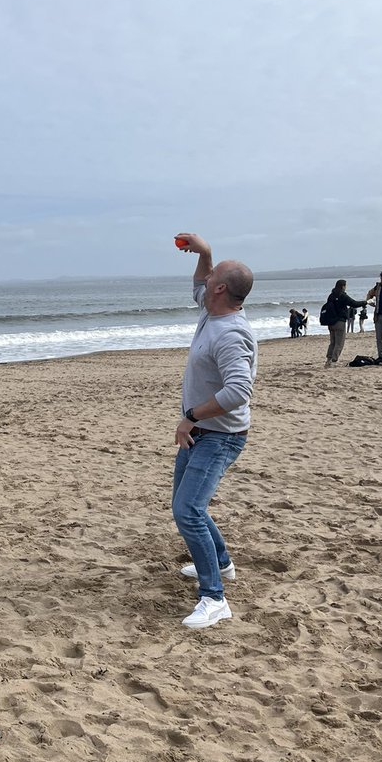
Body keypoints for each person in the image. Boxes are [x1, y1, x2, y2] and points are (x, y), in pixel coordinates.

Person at [171, 233, 257, 629]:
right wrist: (205, 253)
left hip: (219, 436)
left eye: (211, 277)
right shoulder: (211, 312)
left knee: (187, 511)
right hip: (201, 432)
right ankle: (221, 564)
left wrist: (190, 414)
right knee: (188, 506)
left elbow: (239, 391)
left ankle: (214, 598)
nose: (203, 281)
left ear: (221, 289)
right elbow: (198, 283)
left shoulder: (231, 333)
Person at [322, 280, 367, 368]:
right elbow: (353, 303)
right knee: (339, 343)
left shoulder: (331, 296)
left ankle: (328, 360)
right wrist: (366, 302)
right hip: (340, 321)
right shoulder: (342, 295)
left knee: (332, 342)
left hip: (331, 323)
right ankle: (334, 361)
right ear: (343, 286)